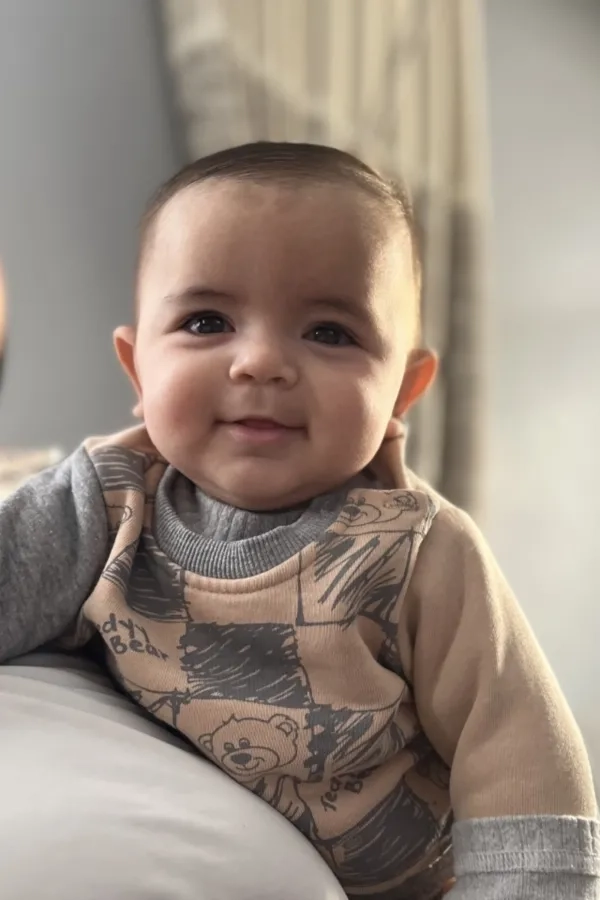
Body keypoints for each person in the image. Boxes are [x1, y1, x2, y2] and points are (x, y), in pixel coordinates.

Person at [0, 142, 597, 900]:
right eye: (207, 321)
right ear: (138, 369)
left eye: (329, 332)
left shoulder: (415, 549)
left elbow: (518, 753)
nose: (260, 362)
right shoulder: (107, 498)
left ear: (403, 390)